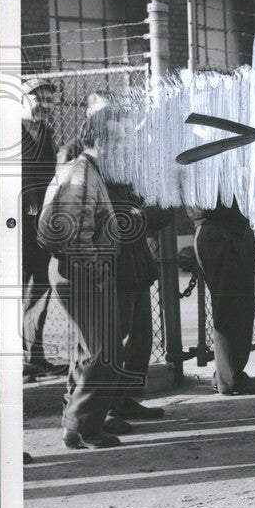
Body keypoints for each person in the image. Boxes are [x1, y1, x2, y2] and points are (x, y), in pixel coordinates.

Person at [38, 105, 129, 448]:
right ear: (98, 140)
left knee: (92, 350)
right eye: (116, 140)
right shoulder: (83, 173)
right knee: (104, 353)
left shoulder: (83, 169)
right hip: (80, 270)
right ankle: (83, 426)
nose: (121, 148)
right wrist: (95, 269)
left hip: (75, 269)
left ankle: (78, 423)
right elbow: (75, 231)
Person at [187, 195, 255, 395]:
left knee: (231, 306)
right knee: (234, 308)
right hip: (224, 231)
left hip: (215, 229)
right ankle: (228, 377)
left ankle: (229, 374)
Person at [106, 180, 171, 423]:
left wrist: (139, 214)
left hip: (137, 267)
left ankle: (125, 400)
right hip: (115, 270)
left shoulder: (131, 179)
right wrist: (140, 214)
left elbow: (164, 212)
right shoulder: (95, 176)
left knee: (141, 339)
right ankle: (104, 405)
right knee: (113, 341)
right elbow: (116, 221)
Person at [21, 78, 65, 379]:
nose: (45, 106)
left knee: (39, 291)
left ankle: (33, 358)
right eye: (39, 99)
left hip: (40, 227)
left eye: (50, 100)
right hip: (15, 226)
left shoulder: (47, 132)